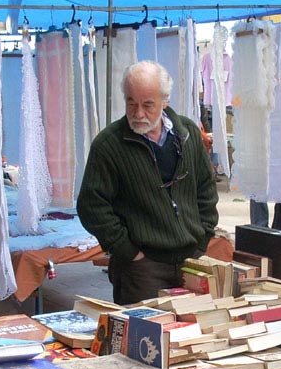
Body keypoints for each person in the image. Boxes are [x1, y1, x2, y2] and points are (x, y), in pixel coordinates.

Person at [77, 60, 219, 305]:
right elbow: (91, 207)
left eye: (147, 105)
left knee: (191, 336)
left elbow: (206, 189)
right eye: (131, 103)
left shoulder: (188, 134)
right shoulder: (109, 145)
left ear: (165, 101)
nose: (138, 113)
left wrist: (203, 237)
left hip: (190, 259)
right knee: (144, 340)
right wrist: (129, 252)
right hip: (142, 269)